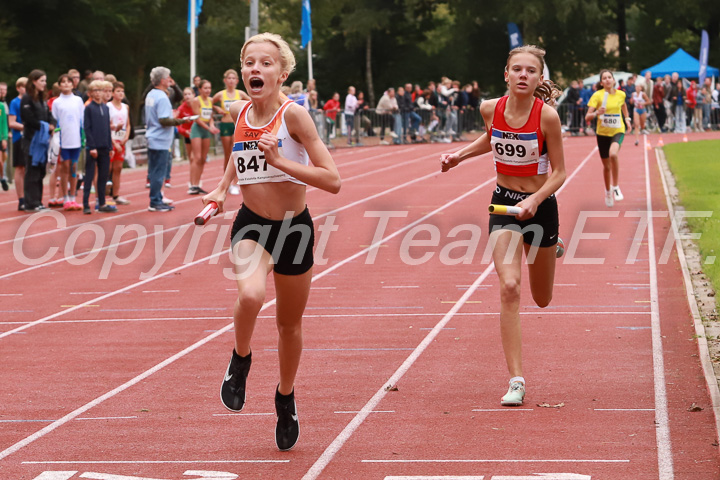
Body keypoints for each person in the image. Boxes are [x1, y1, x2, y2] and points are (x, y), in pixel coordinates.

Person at [202, 32, 340, 451]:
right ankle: (241, 358)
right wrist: (221, 188)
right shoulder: (241, 110)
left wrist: (280, 161)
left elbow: (332, 180)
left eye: (265, 63)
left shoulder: (294, 117)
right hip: (252, 225)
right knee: (251, 296)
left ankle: (285, 395)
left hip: (294, 229)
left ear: (282, 72)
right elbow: (238, 156)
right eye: (249, 62)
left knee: (288, 325)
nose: (254, 70)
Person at [440, 45, 566, 407]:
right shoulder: (489, 108)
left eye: (530, 70)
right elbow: (491, 136)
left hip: (540, 207)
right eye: (517, 69)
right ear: (506, 74)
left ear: (539, 78)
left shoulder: (547, 118)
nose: (523, 75)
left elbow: (559, 172)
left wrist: (536, 200)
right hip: (504, 205)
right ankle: (516, 380)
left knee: (542, 299)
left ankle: (552, 248)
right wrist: (458, 157)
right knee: (510, 286)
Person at [145, 67, 192, 211]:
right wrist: (181, 120)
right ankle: (155, 201)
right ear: (162, 80)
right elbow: (164, 120)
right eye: (168, 77)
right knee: (159, 172)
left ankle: (157, 198)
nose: (170, 80)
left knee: (154, 171)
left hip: (152, 136)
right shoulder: (162, 97)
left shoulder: (151, 94)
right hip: (160, 139)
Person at [585, 70, 632, 207]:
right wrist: (596, 113)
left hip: (618, 130)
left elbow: (624, 107)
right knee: (606, 166)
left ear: (613, 80)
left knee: (613, 154)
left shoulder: (621, 94)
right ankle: (607, 191)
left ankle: (616, 186)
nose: (607, 80)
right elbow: (587, 117)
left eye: (609, 77)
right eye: (604, 78)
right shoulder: (597, 96)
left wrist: (627, 120)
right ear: (601, 82)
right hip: (602, 134)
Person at [21, 69, 57, 211]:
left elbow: (49, 114)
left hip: (42, 141)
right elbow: (28, 118)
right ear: (34, 81)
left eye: (45, 80)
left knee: (41, 171)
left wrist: (52, 124)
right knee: (32, 171)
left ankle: (38, 201)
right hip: (31, 140)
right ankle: (30, 202)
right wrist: (44, 126)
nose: (44, 83)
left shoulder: (42, 98)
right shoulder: (27, 98)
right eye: (41, 80)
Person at [213, 69, 250, 196]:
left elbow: (253, 102)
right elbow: (208, 103)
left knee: (236, 153)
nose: (231, 80)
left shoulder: (240, 93)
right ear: (225, 80)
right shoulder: (220, 94)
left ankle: (236, 182)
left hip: (236, 126)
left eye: (234, 78)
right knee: (227, 155)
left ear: (237, 81)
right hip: (224, 124)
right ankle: (226, 183)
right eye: (229, 78)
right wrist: (217, 108)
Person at [51, 73, 84, 211]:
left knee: (74, 169)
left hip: (76, 140)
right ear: (59, 85)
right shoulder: (57, 102)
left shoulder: (78, 100)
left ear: (73, 84)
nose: (66, 84)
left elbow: (82, 120)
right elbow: (54, 121)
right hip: (63, 141)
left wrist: (83, 138)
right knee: (64, 169)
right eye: (63, 82)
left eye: (68, 82)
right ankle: (65, 198)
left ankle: (73, 197)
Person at [82, 80, 117, 214]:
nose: (98, 93)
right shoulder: (89, 108)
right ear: (90, 93)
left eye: (100, 91)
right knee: (89, 175)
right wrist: (91, 147)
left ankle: (102, 202)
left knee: (103, 176)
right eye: (95, 91)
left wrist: (110, 147)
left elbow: (107, 129)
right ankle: (86, 203)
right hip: (93, 147)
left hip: (104, 147)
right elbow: (87, 128)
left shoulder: (106, 108)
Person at [188, 79, 220, 195]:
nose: (208, 90)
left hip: (206, 129)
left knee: (203, 158)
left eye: (209, 88)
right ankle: (192, 185)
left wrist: (211, 125)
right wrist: (209, 128)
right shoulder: (196, 100)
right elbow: (197, 118)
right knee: (196, 157)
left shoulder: (211, 100)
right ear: (200, 89)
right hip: (197, 129)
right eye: (205, 88)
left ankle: (197, 183)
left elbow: (210, 117)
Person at [108, 81, 131, 205]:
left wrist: (126, 137)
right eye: (118, 91)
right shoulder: (108, 106)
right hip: (111, 141)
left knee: (118, 168)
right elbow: (106, 126)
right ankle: (106, 195)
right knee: (108, 168)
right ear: (112, 93)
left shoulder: (125, 107)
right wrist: (113, 142)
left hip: (121, 141)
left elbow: (128, 125)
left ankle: (116, 195)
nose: (121, 93)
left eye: (122, 91)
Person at [8, 77, 27, 210]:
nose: (25, 89)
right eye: (23, 86)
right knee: (20, 168)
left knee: (30, 169)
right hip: (19, 138)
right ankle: (21, 199)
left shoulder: (32, 101)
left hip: (31, 139)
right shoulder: (15, 102)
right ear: (18, 88)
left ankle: (30, 197)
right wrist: (26, 127)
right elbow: (11, 122)